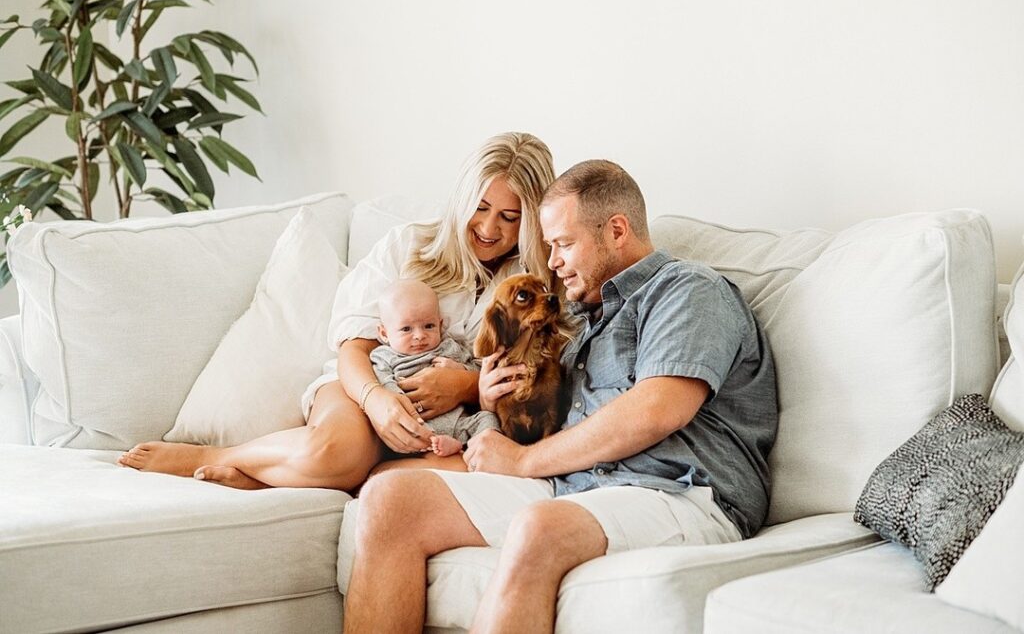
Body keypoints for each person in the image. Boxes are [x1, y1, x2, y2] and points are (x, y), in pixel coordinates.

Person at [343, 160, 779, 633]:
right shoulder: (580, 319)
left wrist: (524, 462)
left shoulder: (688, 290)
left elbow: (657, 410)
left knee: (539, 527)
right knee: (390, 500)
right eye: (549, 246)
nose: (551, 262)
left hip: (682, 491)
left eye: (563, 244)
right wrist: (489, 403)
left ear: (616, 230)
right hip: (578, 486)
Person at [118, 131, 558, 491]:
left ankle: (287, 477)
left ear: (532, 221)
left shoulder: (539, 284)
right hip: (365, 387)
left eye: (509, 217)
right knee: (335, 454)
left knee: (437, 478)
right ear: (462, 200)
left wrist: (464, 387)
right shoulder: (410, 245)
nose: (487, 228)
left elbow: (523, 383)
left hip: (453, 425)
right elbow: (355, 348)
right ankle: (219, 456)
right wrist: (378, 401)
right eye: (480, 208)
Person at [371, 278, 498, 457]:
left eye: (428, 326)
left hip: (460, 422)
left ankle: (478, 447)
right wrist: (397, 396)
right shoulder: (385, 356)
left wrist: (459, 369)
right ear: (384, 333)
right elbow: (383, 382)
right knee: (397, 430)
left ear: (440, 324)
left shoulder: (449, 347)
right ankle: (437, 446)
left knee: (487, 419)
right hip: (418, 424)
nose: (419, 336)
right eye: (406, 329)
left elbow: (478, 374)